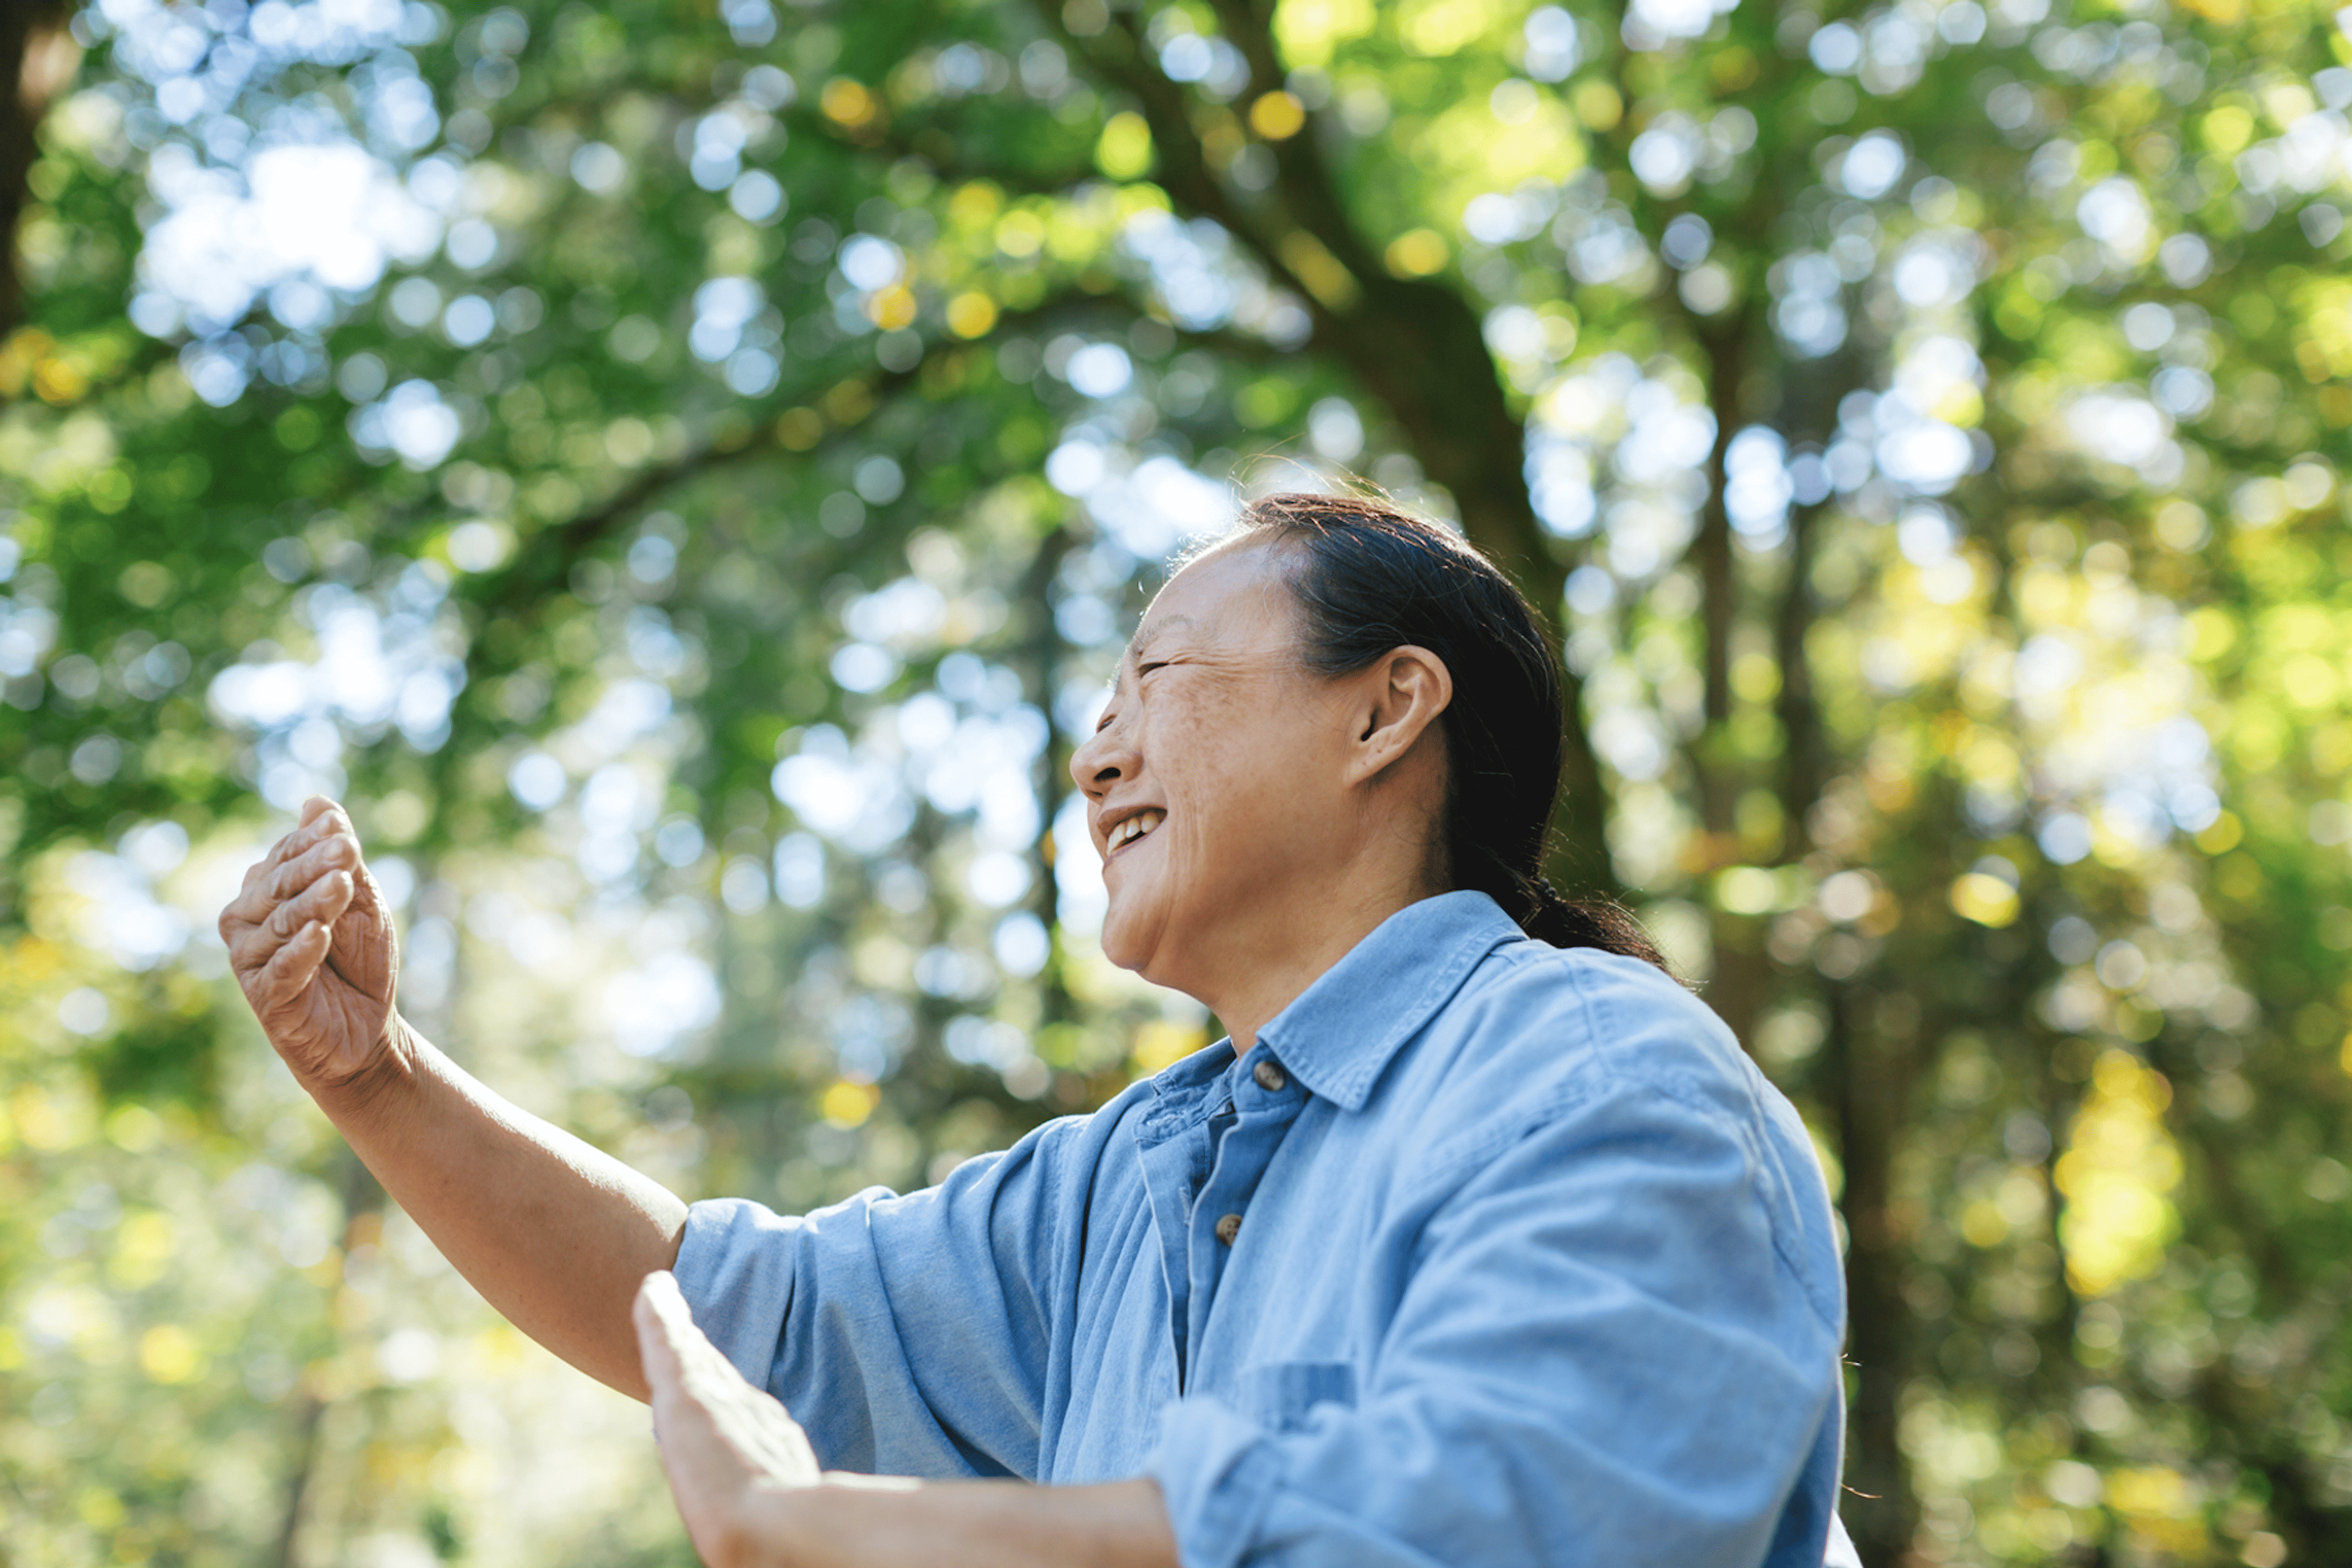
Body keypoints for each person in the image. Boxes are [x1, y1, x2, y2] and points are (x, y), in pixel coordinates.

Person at [222, 493, 1858, 1568]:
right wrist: (377, 1076)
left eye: (1159, 681)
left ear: (1387, 707)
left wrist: (836, 1531)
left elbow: (1496, 1525)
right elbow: (744, 1313)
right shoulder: (1127, 1182)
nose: (1098, 762)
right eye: (1099, 714)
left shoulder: (1595, 1083)